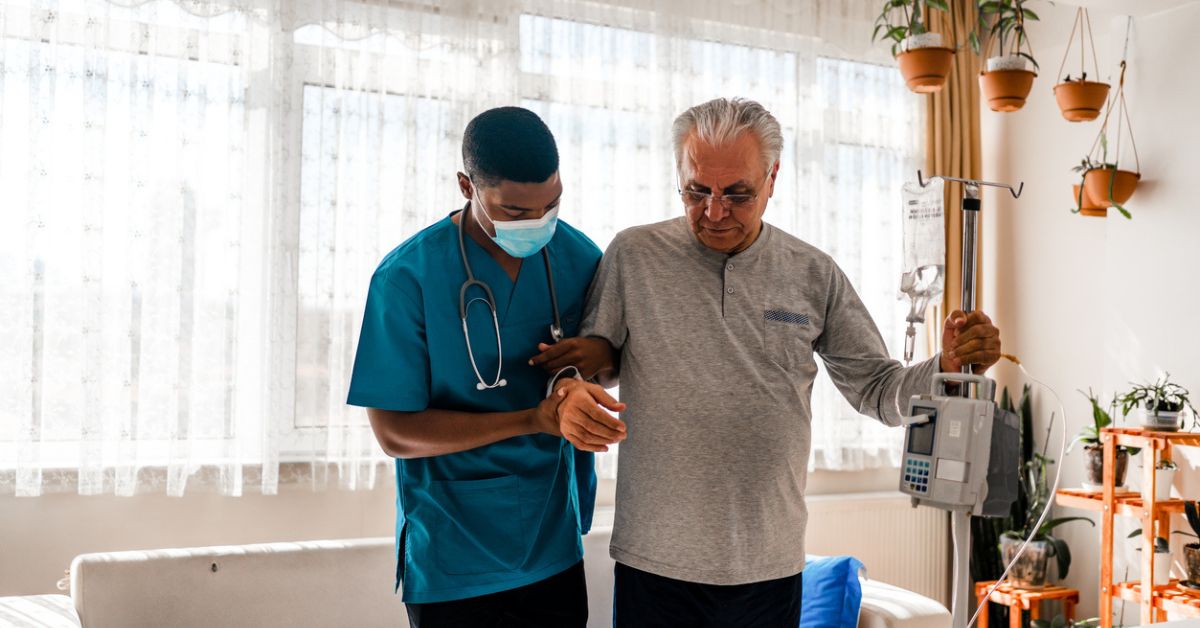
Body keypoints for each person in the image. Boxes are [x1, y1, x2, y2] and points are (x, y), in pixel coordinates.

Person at [533, 97, 1003, 627]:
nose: (715, 212)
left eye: (738, 194)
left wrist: (947, 364)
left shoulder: (813, 274)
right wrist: (570, 389)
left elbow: (877, 390)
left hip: (770, 567)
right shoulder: (633, 256)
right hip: (655, 564)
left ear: (772, 178)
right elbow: (586, 364)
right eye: (696, 192)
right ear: (678, 177)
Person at [346, 106, 624, 628]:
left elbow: (608, 368)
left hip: (551, 538)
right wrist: (532, 419)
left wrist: (600, 360)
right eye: (514, 211)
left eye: (551, 205)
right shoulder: (408, 277)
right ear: (466, 186)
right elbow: (394, 432)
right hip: (454, 548)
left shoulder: (579, 258)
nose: (537, 223)